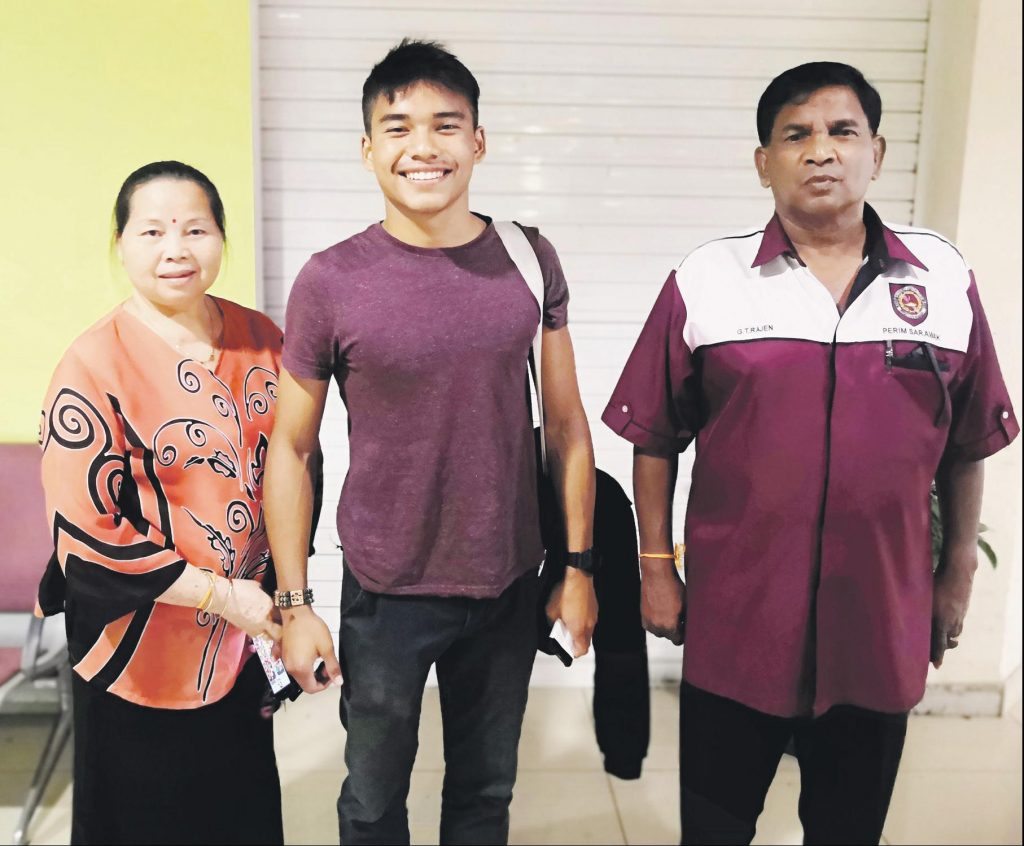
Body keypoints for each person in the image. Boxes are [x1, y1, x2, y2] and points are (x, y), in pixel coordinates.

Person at [602, 62, 1019, 845]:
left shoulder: (943, 279)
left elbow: (968, 443)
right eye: (796, 135)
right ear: (764, 162)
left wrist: (957, 568)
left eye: (842, 131)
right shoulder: (709, 279)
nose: (820, 151)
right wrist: (655, 567)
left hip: (879, 621)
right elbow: (653, 437)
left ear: (877, 153)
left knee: (848, 831)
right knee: (715, 831)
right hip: (738, 625)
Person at [264, 39, 597, 845]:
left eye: (446, 125)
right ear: (368, 149)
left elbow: (566, 427)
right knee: (373, 798)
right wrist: (294, 604)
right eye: (399, 127)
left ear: (477, 142)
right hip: (388, 591)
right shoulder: (331, 280)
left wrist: (579, 568)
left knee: (485, 793)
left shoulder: (527, 256)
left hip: (507, 579)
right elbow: (291, 449)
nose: (424, 147)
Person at [38, 161, 286, 844]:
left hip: (239, 647)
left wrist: (286, 602)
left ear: (222, 238)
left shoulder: (264, 339)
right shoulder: (91, 365)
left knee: (240, 816)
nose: (175, 249)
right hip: (133, 652)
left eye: (195, 229)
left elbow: (294, 473)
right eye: (152, 231)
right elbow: (85, 538)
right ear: (121, 244)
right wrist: (222, 596)